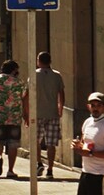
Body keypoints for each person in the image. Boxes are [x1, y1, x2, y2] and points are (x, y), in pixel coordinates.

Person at [0, 58, 30, 179]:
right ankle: (10, 170)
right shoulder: (19, 83)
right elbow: (24, 100)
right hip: (14, 118)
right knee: (13, 144)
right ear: (14, 70)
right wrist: (26, 115)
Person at [71, 91, 104, 195]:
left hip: (102, 175)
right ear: (89, 107)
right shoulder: (87, 122)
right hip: (86, 173)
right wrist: (78, 146)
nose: (95, 108)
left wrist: (91, 154)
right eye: (93, 105)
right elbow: (86, 144)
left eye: (99, 105)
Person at [34, 51, 66, 179]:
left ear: (38, 61)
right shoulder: (57, 76)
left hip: (37, 113)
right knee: (51, 143)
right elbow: (61, 94)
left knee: (35, 140)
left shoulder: (34, 75)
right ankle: (50, 169)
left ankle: (39, 163)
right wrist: (60, 108)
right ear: (50, 61)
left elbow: (29, 92)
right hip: (52, 113)